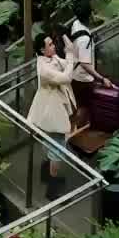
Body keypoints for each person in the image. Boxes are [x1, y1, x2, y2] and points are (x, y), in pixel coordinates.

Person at [26, 32, 77, 169]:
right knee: (58, 142)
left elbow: (68, 66)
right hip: (52, 107)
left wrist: (69, 51)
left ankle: (49, 165)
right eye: (50, 45)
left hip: (56, 103)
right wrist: (70, 54)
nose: (54, 46)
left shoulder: (52, 57)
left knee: (54, 138)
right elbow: (67, 77)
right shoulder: (44, 69)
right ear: (42, 50)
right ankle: (53, 179)